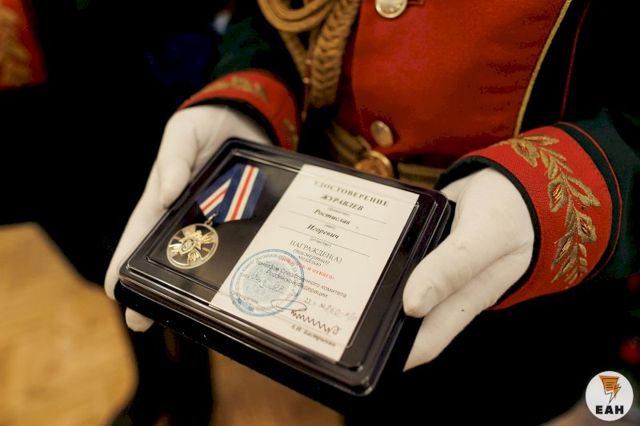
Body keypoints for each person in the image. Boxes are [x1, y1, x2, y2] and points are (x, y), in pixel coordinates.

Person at [105, 1, 639, 424]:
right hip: (312, 229)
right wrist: (248, 102)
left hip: (515, 304)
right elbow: (270, 18)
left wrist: (544, 193)